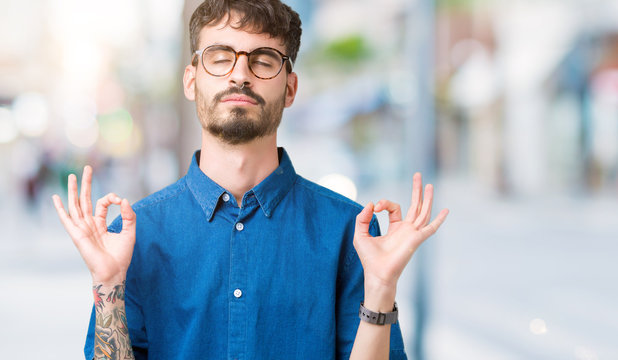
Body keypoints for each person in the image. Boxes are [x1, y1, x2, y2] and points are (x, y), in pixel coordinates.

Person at [52, 1, 449, 359]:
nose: (240, 74)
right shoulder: (135, 236)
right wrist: (107, 285)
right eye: (220, 57)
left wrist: (381, 288)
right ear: (191, 81)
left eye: (262, 60)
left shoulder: (348, 231)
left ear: (290, 87)